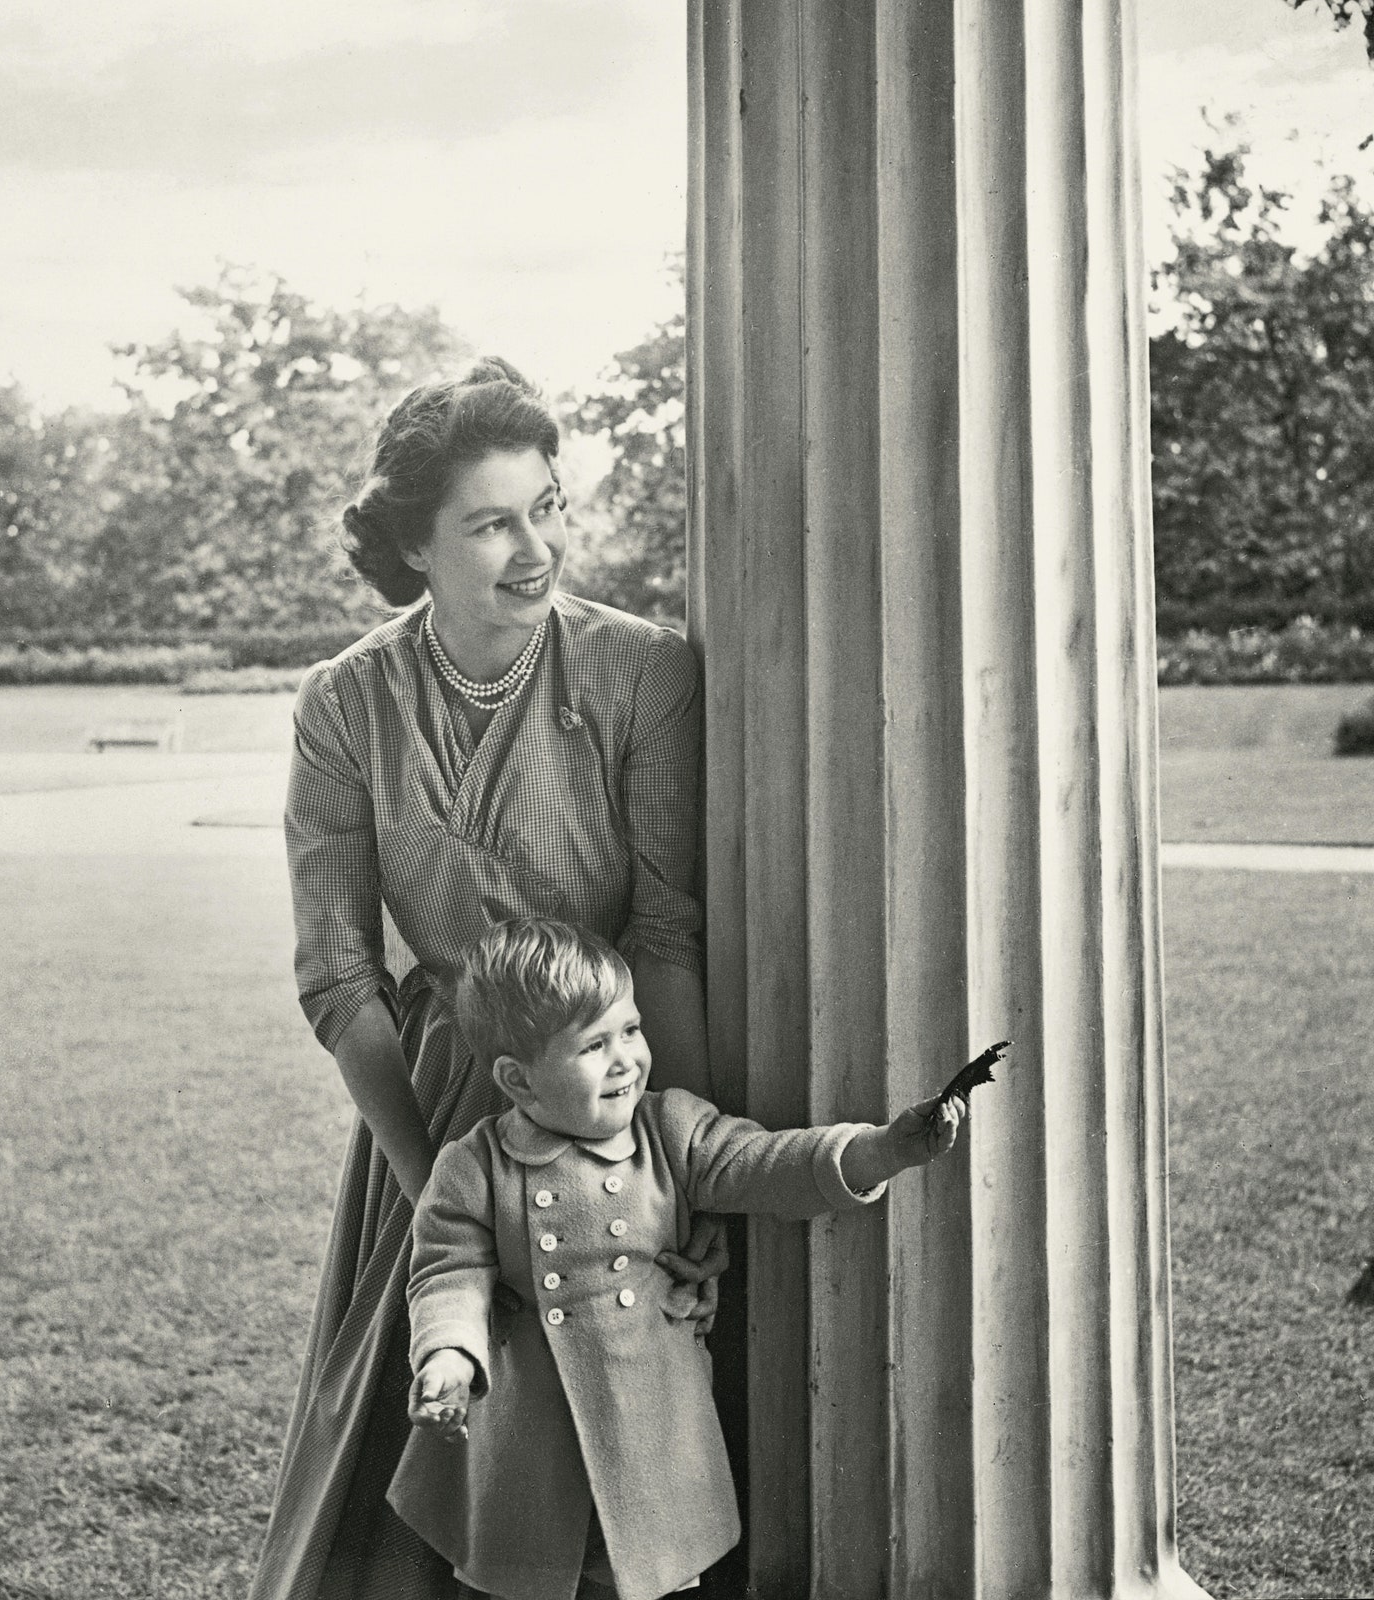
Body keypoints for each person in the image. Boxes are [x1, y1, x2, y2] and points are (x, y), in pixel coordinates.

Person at [250, 359, 724, 1600]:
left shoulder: (642, 674)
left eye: (549, 507)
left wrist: (670, 1164)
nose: (537, 548)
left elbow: (667, 934)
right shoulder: (344, 703)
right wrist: (438, 1203)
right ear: (415, 546)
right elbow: (340, 978)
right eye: (493, 521)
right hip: (438, 1117)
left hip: (608, 1113)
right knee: (424, 1465)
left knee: (625, 1472)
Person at [390, 917, 968, 1600]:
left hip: (650, 1441)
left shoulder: (670, 1128)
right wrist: (448, 1359)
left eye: (630, 1030)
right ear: (519, 1081)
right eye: (594, 1045)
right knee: (521, 1582)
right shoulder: (474, 1166)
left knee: (650, 1579)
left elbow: (767, 1163)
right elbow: (447, 1273)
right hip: (528, 1450)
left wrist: (881, 1150)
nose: (626, 1058)